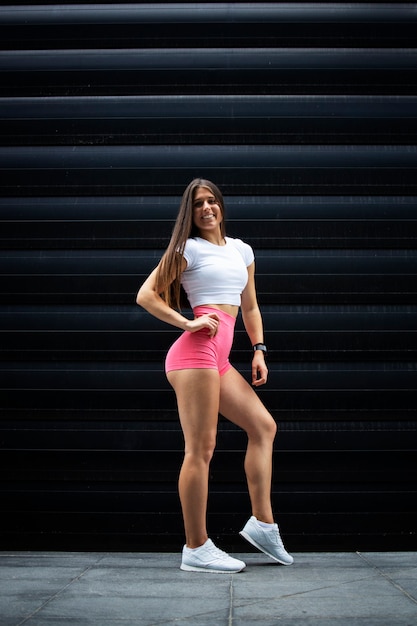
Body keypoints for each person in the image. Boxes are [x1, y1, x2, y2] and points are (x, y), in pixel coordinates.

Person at [136, 178, 293, 573]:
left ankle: (262, 524)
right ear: (190, 213)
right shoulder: (186, 248)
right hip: (195, 354)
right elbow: (146, 294)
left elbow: (251, 307)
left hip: (219, 359)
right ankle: (196, 546)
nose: (206, 208)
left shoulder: (242, 251)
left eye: (212, 201)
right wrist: (187, 323)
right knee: (201, 450)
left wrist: (259, 349)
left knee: (263, 427)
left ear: (221, 205)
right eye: (198, 204)